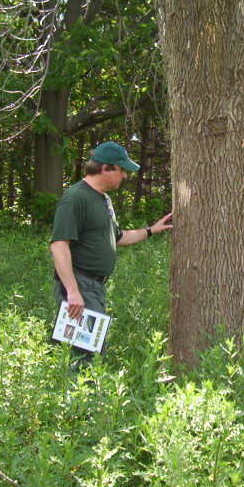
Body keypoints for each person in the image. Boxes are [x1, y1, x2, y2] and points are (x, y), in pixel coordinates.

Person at [50, 141, 172, 357]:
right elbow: (59, 246)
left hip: (94, 287)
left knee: (90, 351)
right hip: (81, 286)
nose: (125, 176)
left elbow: (118, 237)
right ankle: (80, 392)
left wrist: (152, 230)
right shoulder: (76, 198)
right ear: (105, 168)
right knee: (84, 354)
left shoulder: (103, 199)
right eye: (121, 169)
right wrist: (73, 291)